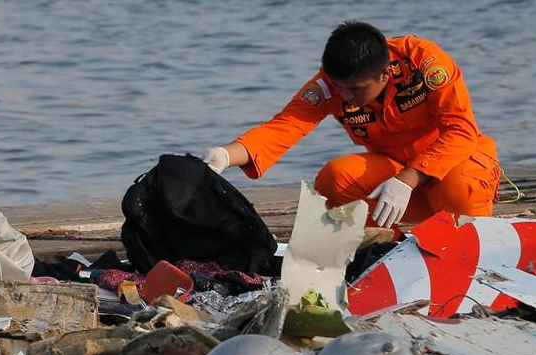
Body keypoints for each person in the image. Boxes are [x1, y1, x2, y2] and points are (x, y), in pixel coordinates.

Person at [204, 21, 500, 228]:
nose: (345, 96)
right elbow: (283, 127)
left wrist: (408, 179)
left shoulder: (423, 62)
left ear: (384, 75)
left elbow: (461, 131)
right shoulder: (330, 86)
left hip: (453, 169)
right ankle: (382, 248)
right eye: (338, 85)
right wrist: (224, 156)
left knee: (463, 185)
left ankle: (476, 249)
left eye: (356, 89)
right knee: (333, 179)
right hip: (394, 179)